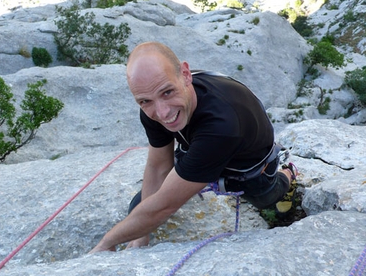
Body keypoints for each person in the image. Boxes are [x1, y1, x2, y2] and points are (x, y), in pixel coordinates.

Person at [89, 41, 297, 253]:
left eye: (167, 92)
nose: (161, 113)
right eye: (144, 101)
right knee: (138, 209)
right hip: (199, 148)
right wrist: (142, 234)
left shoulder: (223, 123)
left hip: (247, 167)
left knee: (267, 198)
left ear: (186, 74)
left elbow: (164, 205)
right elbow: (158, 166)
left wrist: (107, 242)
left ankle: (289, 173)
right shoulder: (153, 100)